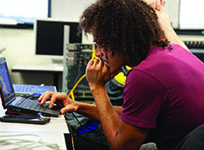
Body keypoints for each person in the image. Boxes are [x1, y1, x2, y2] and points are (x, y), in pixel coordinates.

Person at [39, 0, 204, 149]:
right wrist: (76, 105)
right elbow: (132, 114)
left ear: (120, 40)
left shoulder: (144, 76)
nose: (97, 53)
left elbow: (121, 147)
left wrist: (97, 87)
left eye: (100, 44)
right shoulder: (174, 51)